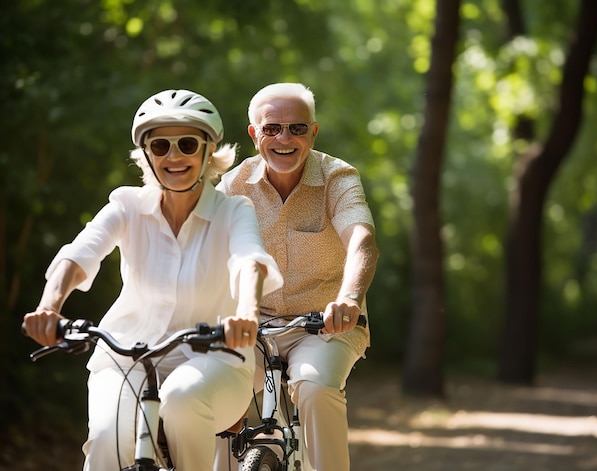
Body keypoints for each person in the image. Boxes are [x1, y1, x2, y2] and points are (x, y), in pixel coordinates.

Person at [22, 89, 283, 471]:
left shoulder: (233, 210)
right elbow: (79, 255)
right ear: (147, 154)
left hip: (216, 359)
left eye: (187, 144)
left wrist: (245, 312)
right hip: (126, 356)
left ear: (209, 151)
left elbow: (249, 261)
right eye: (160, 145)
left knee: (182, 396)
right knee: (107, 440)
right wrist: (49, 307)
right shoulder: (126, 205)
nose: (173, 156)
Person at [216, 83, 379, 471]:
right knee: (214, 393)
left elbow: (362, 241)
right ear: (255, 134)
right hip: (252, 325)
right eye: (272, 129)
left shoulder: (337, 177)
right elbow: (206, 252)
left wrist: (350, 299)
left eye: (297, 128)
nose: (284, 138)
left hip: (326, 326)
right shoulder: (233, 186)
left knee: (316, 387)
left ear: (314, 132)